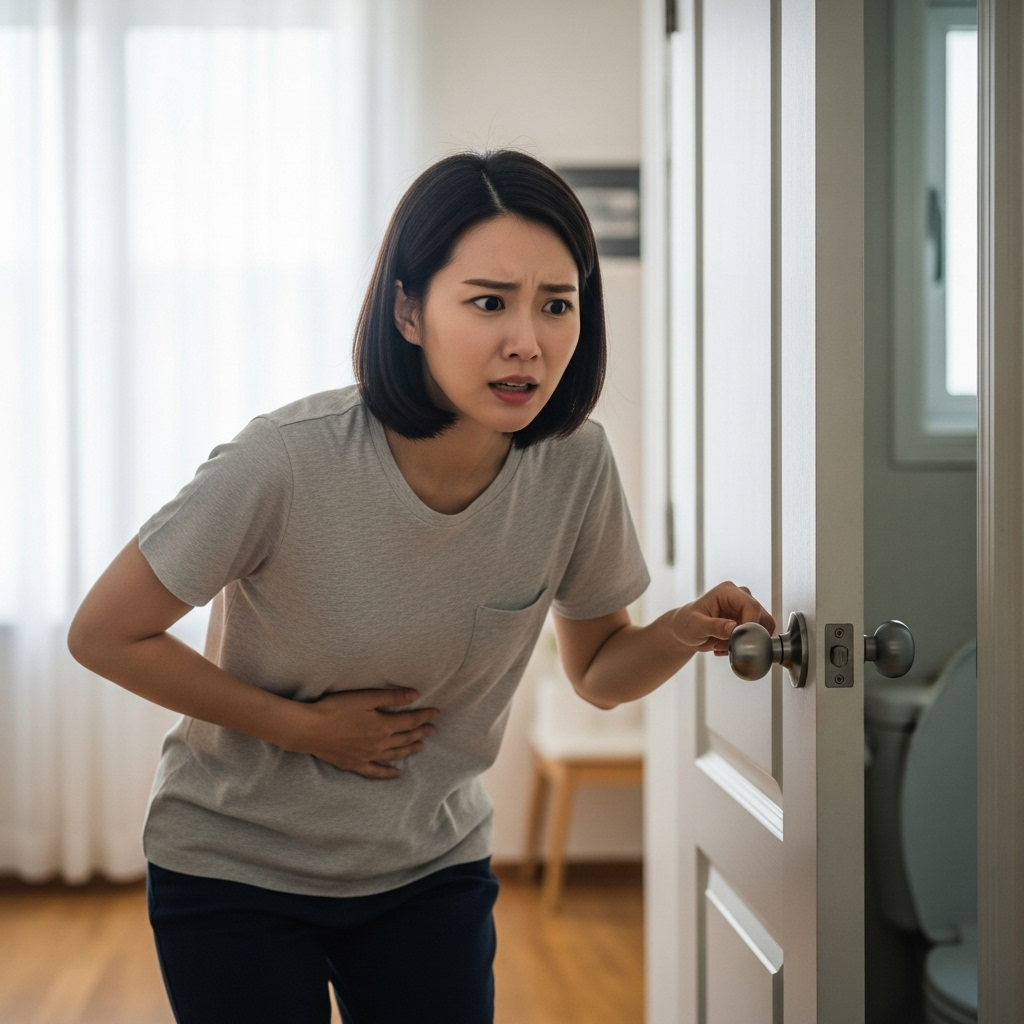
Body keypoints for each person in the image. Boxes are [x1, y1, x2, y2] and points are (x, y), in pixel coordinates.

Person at [68, 150, 773, 1024]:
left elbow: (596, 673)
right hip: (234, 866)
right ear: (408, 310)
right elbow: (102, 633)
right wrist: (305, 729)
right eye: (489, 302)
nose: (529, 339)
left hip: (427, 870)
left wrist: (677, 631)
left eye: (558, 304)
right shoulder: (284, 460)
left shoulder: (573, 465)